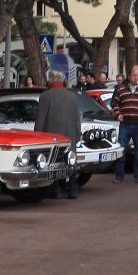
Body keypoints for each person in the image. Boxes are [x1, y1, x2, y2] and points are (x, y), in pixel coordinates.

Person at [33, 68, 82, 200]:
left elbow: (41, 120)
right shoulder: (72, 96)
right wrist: (77, 135)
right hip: (70, 136)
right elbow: (77, 119)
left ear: (51, 79)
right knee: (70, 163)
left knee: (53, 163)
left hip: (51, 137)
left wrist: (36, 136)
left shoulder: (45, 96)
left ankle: (56, 191)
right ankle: (72, 190)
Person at [110, 65, 138, 184]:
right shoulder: (121, 89)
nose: (136, 77)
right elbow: (115, 103)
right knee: (121, 150)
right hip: (125, 124)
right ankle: (119, 176)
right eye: (134, 75)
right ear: (129, 76)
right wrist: (118, 114)